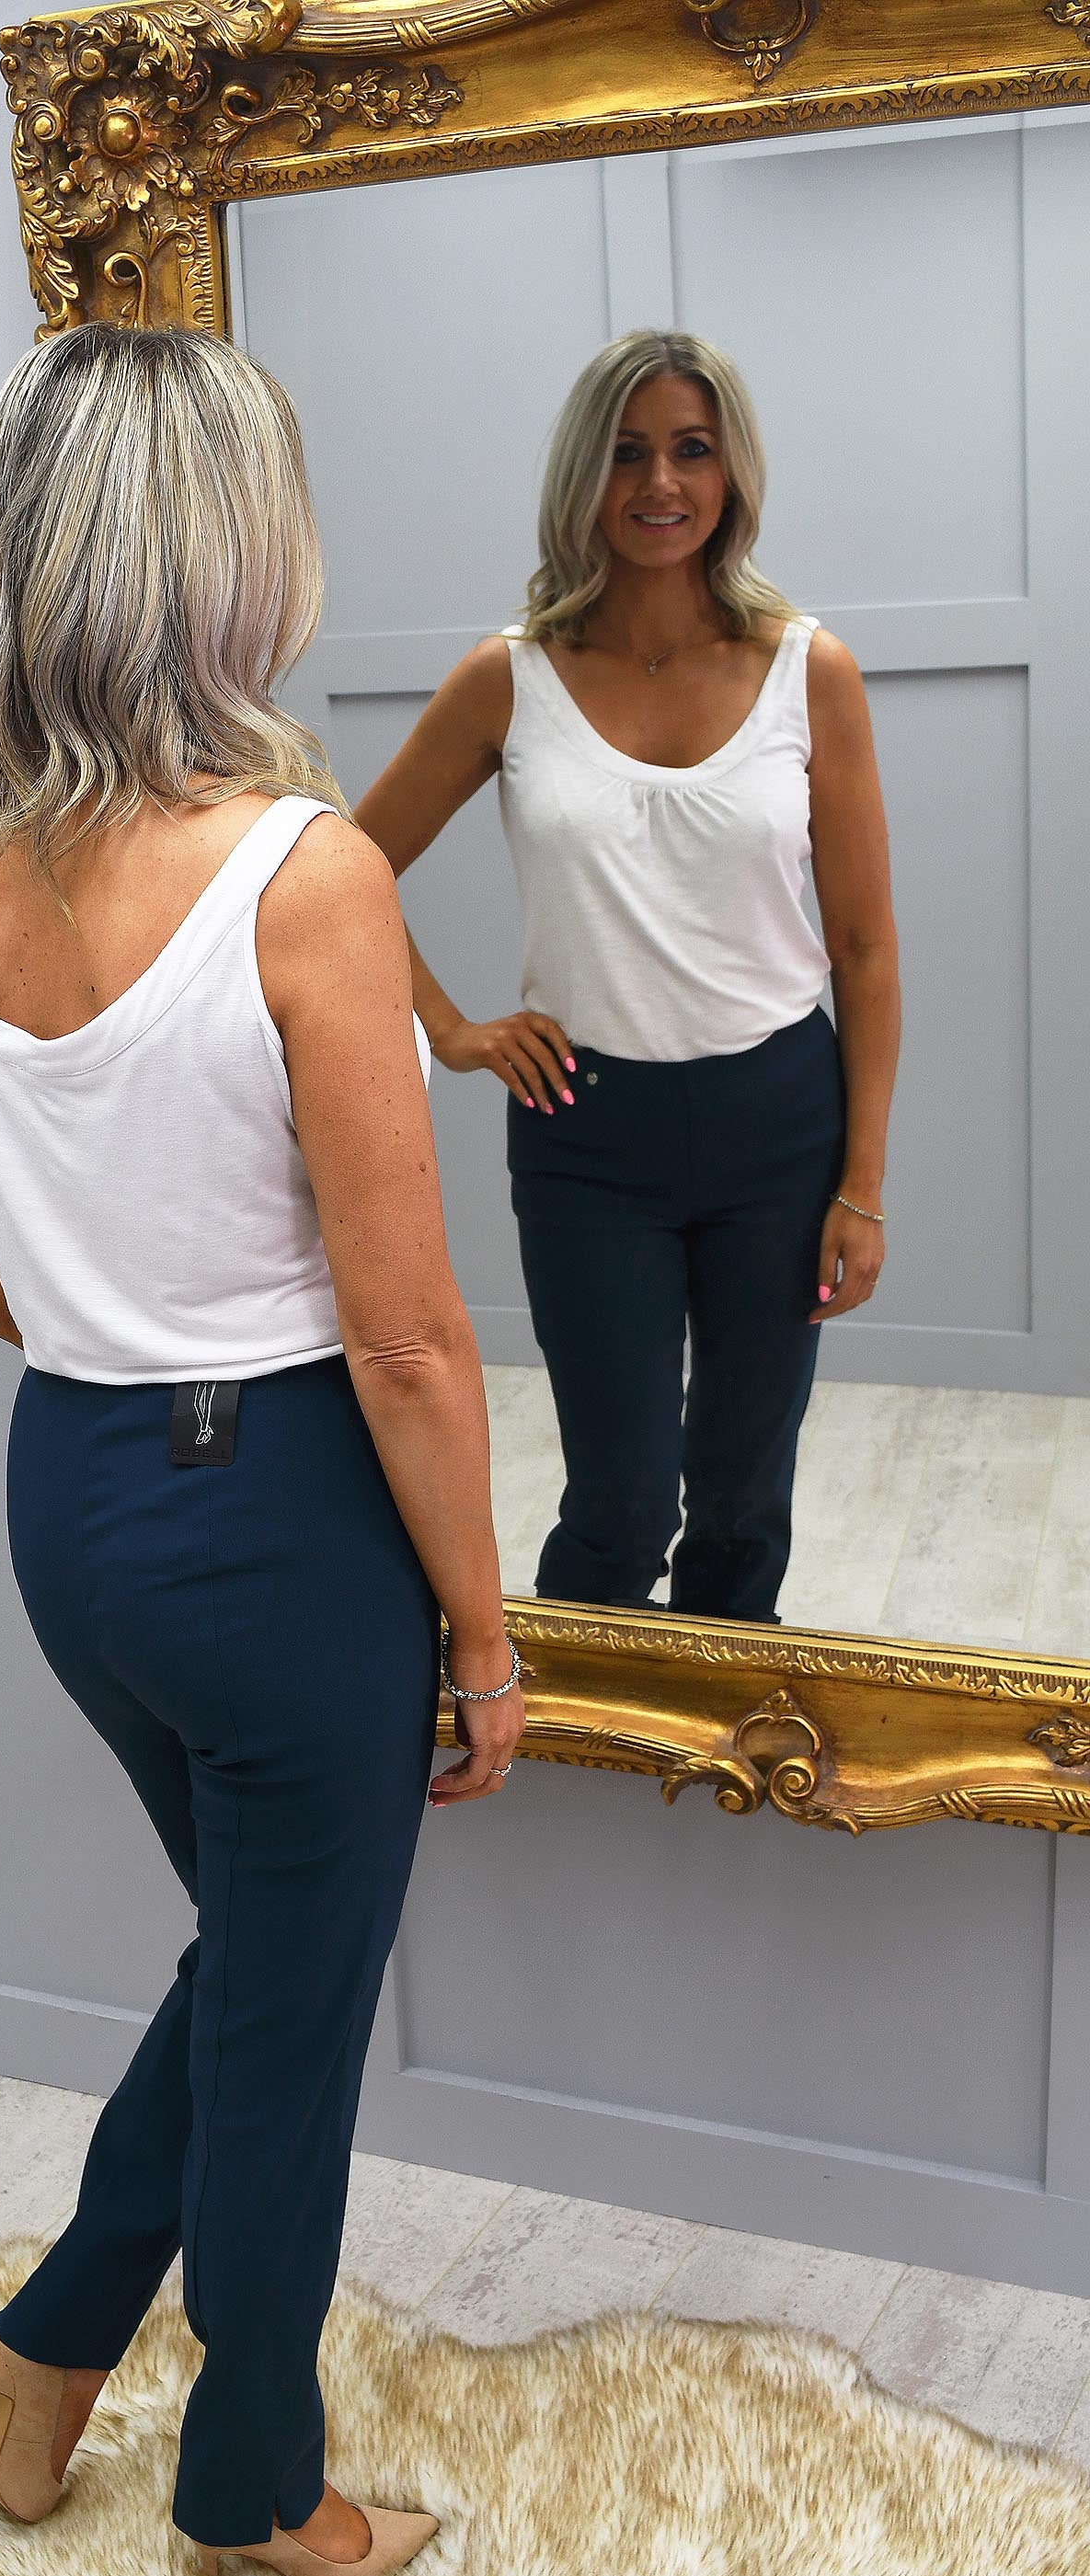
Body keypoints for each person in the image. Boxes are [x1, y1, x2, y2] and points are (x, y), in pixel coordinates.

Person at [0, 324, 522, 2576]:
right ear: (225, 557)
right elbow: (405, 1338)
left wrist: (33, 1310)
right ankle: (253, 2488)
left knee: (251, 1973)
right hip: (276, 1531)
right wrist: (483, 1640)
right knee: (289, 2021)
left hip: (69, 1512)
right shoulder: (300, 875)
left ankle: (49, 2354)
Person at [355, 330, 901, 1623]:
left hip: (781, 1124)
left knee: (744, 1500)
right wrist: (452, 1030)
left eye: (692, 450)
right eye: (627, 452)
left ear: (731, 472)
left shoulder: (808, 671)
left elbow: (866, 947)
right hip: (587, 1137)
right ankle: (561, 1724)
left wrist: (863, 1187)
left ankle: (717, 1732)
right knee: (622, 1501)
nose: (661, 483)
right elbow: (342, 870)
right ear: (582, 477)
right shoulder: (509, 678)